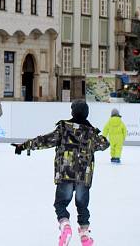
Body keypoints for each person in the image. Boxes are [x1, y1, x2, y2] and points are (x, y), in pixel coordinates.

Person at [12, 100, 109, 246]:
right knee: (82, 207)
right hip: (84, 176)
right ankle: (84, 236)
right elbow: (105, 143)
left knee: (60, 204)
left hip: (66, 174)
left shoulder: (63, 128)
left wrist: (24, 146)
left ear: (72, 112)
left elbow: (44, 140)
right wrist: (90, 128)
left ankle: (65, 226)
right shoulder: (91, 133)